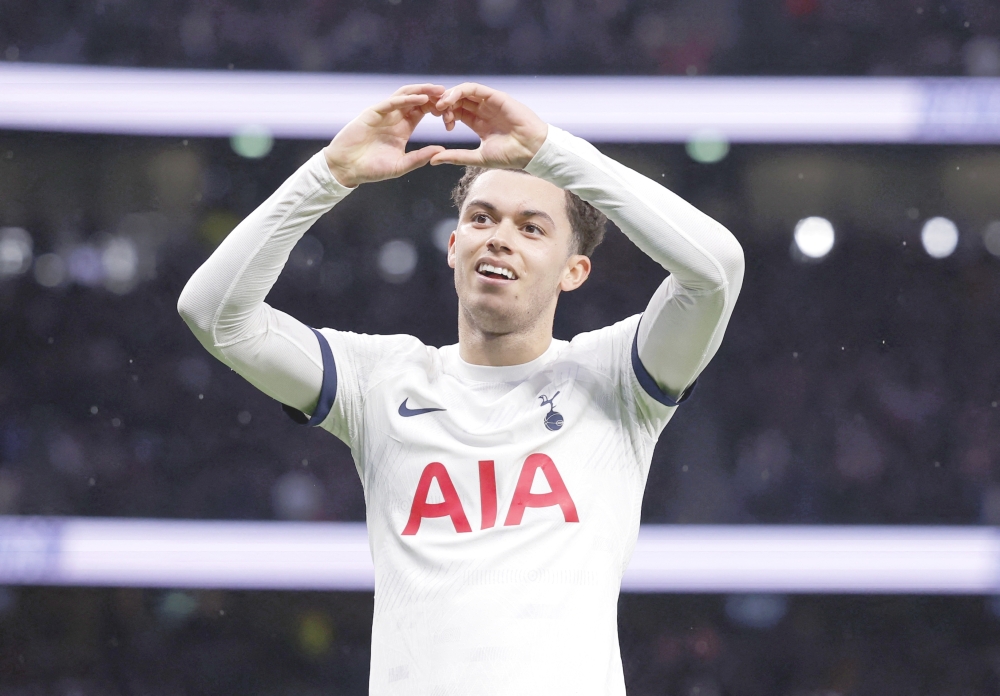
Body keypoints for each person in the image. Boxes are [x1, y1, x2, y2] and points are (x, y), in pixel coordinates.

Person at [177, 82, 744, 695]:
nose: (498, 236)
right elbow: (214, 314)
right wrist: (329, 174)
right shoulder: (379, 380)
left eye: (532, 228)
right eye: (481, 218)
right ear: (454, 248)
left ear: (573, 271)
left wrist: (553, 152)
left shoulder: (616, 378)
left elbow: (715, 273)